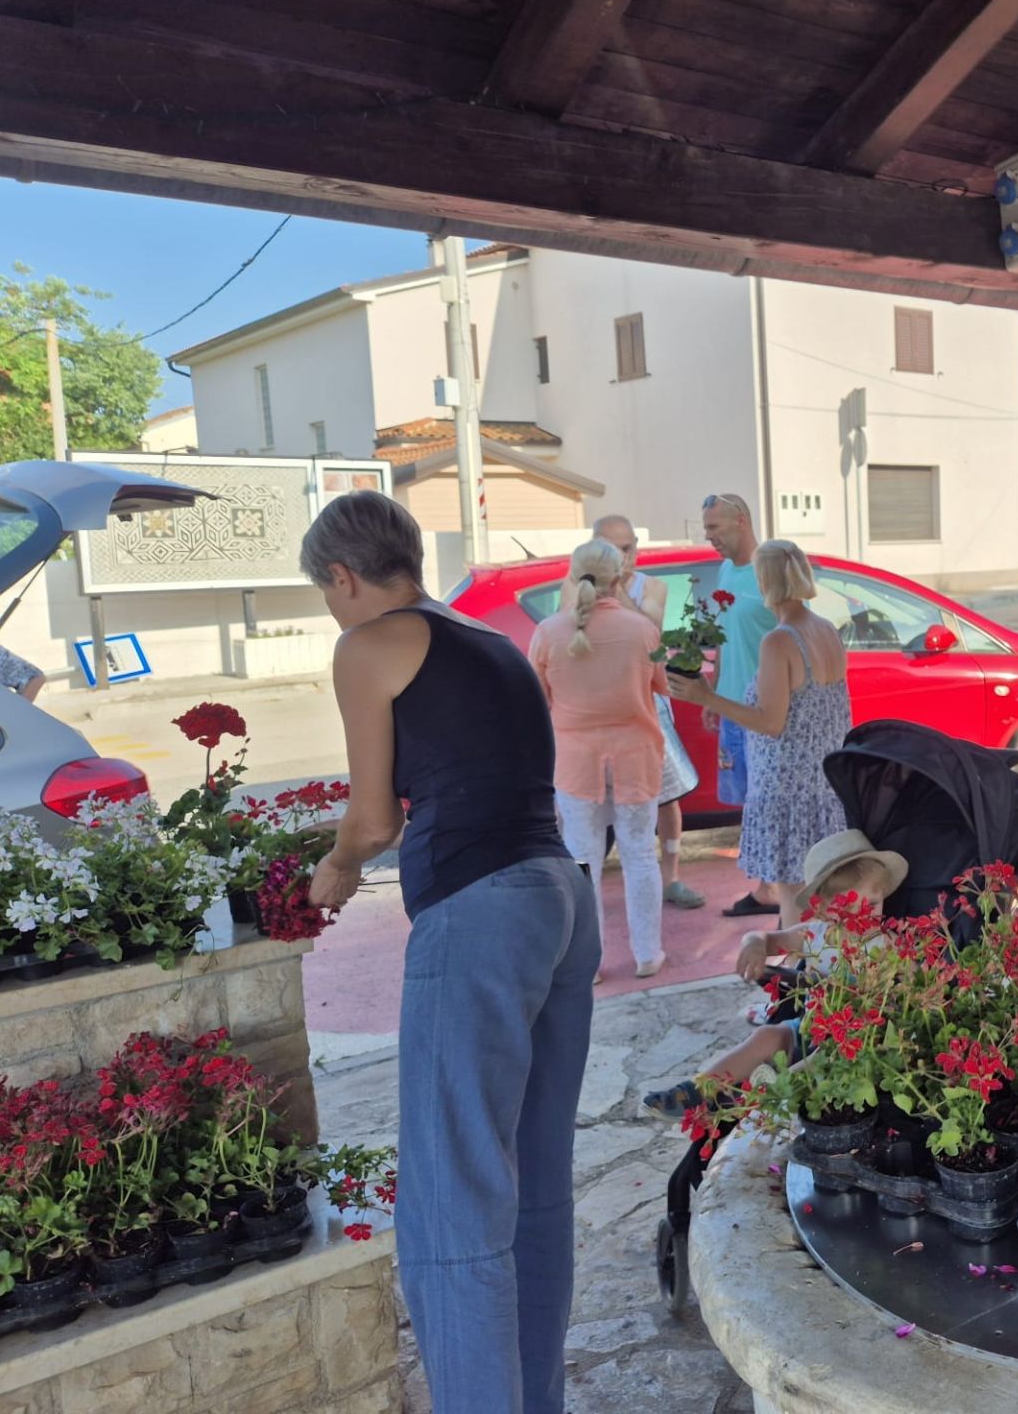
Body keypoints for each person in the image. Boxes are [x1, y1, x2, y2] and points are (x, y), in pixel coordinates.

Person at [299, 491, 594, 1414]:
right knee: (533, 1188)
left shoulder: (367, 645)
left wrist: (336, 866)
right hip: (561, 896)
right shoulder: (492, 640)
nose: (334, 612)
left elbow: (375, 816)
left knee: (453, 1206)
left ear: (343, 577)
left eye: (328, 594)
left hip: (479, 912)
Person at [641, 829, 906, 1116]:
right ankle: (697, 1091)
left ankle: (764, 1102)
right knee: (766, 1036)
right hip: (808, 1028)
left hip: (854, 1043)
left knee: (824, 1057)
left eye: (873, 904)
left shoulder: (884, 946)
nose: (863, 915)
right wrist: (754, 944)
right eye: (849, 906)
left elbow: (914, 981)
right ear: (826, 909)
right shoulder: (816, 936)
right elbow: (765, 938)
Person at [668, 538, 850, 927]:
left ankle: (799, 981)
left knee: (794, 906)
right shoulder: (826, 631)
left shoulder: (779, 640)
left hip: (786, 790)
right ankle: (817, 977)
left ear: (764, 583)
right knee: (821, 902)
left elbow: (771, 722)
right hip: (825, 787)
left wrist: (706, 696)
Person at [530, 538, 672, 980]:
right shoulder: (643, 630)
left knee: (581, 856)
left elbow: (538, 700)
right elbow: (663, 688)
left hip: (575, 761)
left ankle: (588, 961)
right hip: (635, 757)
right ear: (621, 578)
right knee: (639, 854)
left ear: (572, 576)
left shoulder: (548, 632)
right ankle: (648, 954)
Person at [591, 513, 704, 910]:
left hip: (646, 704)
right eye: (615, 550)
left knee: (667, 793)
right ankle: (585, 888)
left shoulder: (650, 586)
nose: (626, 556)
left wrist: (617, 588)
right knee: (588, 802)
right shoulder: (575, 587)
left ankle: (671, 876)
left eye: (630, 547)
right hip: (600, 711)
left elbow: (649, 633)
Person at [699, 493, 780, 917]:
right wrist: (714, 690)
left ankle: (775, 888)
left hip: (764, 711)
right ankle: (768, 886)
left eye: (716, 527)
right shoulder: (726, 569)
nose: (709, 537)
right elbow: (722, 635)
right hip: (733, 707)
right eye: (707, 528)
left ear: (742, 521)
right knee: (750, 801)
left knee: (768, 799)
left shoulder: (770, 571)